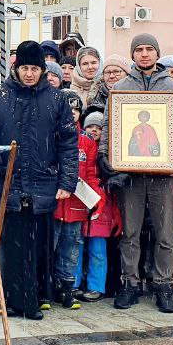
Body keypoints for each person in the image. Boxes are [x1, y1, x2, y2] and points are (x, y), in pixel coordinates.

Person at [0, 40, 78, 320]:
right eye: (25, 68)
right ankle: (17, 301)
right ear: (16, 69)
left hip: (43, 183)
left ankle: (36, 297)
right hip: (7, 182)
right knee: (13, 245)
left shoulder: (56, 99)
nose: (29, 74)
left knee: (40, 245)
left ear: (42, 70)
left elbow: (68, 142)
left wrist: (67, 181)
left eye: (35, 68)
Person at [103, 34, 173, 314]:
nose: (144, 54)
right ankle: (130, 283)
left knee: (164, 232)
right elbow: (110, 127)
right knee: (130, 232)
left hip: (163, 174)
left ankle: (163, 284)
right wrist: (109, 158)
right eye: (139, 50)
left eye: (149, 50)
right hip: (130, 174)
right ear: (133, 55)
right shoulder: (120, 88)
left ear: (157, 53)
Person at [52, 104, 103, 309]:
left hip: (76, 205)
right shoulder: (51, 134)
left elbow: (91, 174)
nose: (71, 112)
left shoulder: (87, 141)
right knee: (50, 247)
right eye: (67, 107)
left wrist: (97, 199)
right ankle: (46, 289)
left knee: (71, 249)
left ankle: (66, 289)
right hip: (54, 204)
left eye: (75, 109)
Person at [77, 110, 120, 302]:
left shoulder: (108, 154)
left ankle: (96, 286)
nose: (94, 131)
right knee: (76, 250)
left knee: (98, 251)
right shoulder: (79, 149)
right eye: (89, 127)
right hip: (80, 204)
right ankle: (73, 284)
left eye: (98, 128)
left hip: (102, 210)